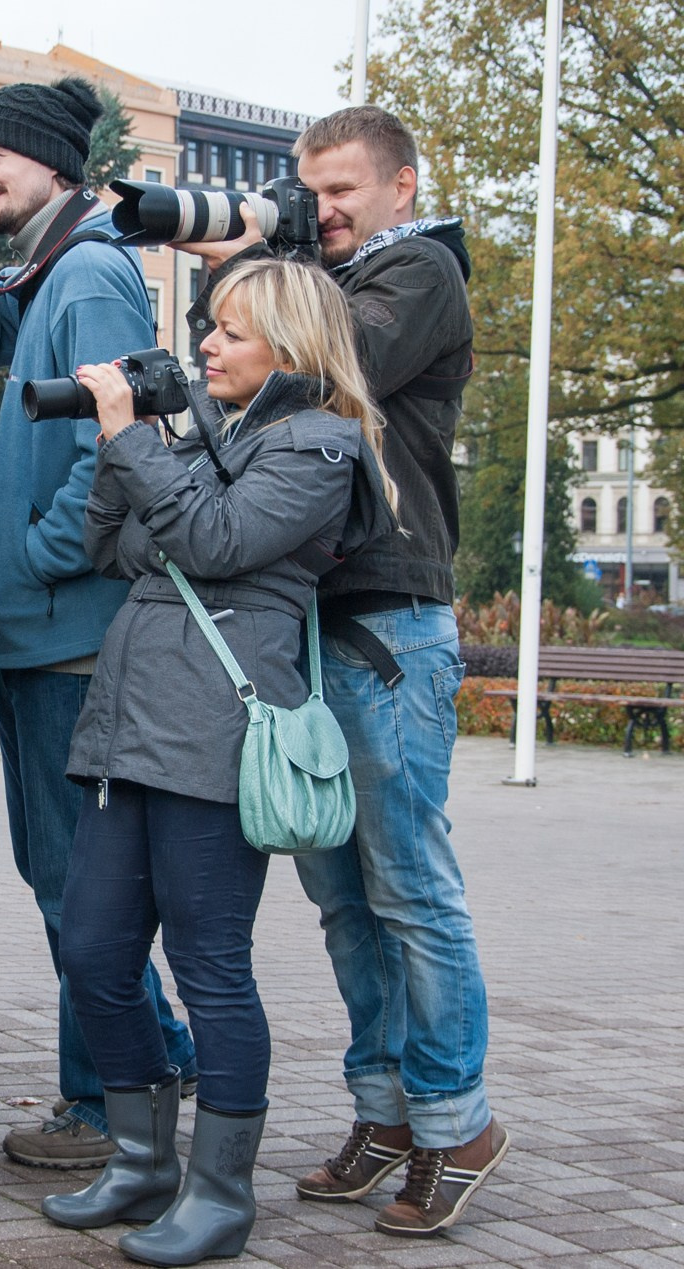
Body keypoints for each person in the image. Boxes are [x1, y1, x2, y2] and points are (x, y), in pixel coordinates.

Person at [175, 104, 501, 1237]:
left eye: (345, 188)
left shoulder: (420, 277)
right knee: (344, 901)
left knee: (409, 888)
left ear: (405, 185)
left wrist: (258, 259)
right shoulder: (323, 274)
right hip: (312, 624)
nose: (324, 208)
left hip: (392, 625)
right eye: (311, 188)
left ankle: (457, 1119)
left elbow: (314, 361)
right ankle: (387, 1112)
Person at [43, 259, 395, 1266]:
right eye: (209, 328)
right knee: (96, 952)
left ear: (290, 345)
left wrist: (136, 442)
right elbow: (114, 549)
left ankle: (219, 1192)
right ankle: (144, 1162)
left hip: (219, 734)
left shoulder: (321, 447)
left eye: (229, 332)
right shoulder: (215, 436)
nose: (204, 345)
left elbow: (210, 536)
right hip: (131, 725)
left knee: (211, 968)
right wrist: (131, 449)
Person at [0, 78, 198, 1170]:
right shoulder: (49, 270)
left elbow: (121, 426)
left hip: (67, 631)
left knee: (73, 883)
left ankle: (110, 1098)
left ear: (58, 163)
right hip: (40, 627)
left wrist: (40, 554)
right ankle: (147, 1061)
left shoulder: (92, 270)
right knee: (61, 876)